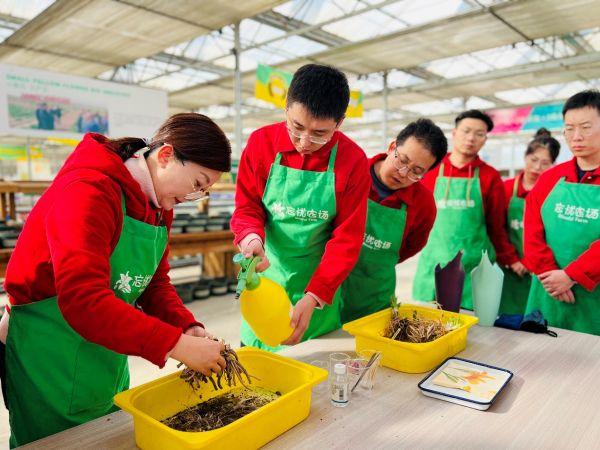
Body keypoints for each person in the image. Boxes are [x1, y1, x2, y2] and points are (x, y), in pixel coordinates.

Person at [0, 113, 231, 447]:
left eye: (205, 191)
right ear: (165, 156)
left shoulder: (158, 202)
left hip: (107, 346)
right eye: (197, 184)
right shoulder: (88, 190)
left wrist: (186, 327)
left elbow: (154, 284)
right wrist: (177, 346)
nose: (194, 198)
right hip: (51, 354)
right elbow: (82, 300)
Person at [231, 64, 370, 350]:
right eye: (296, 127)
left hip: (318, 290)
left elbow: (347, 238)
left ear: (340, 122)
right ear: (286, 108)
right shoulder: (261, 144)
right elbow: (247, 207)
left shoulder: (353, 160)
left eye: (320, 133)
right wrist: (251, 238)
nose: (305, 143)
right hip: (265, 283)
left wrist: (316, 294)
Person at [413, 110, 522, 310]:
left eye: (479, 134)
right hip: (433, 263)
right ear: (454, 133)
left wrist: (511, 258)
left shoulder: (490, 177)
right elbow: (414, 214)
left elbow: (496, 226)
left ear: (485, 139)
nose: (471, 138)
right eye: (466, 131)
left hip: (472, 267)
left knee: (469, 329)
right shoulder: (431, 169)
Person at [340, 119, 447, 323]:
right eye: (402, 160)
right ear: (392, 147)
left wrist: (378, 260)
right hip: (328, 289)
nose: (403, 173)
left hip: (373, 297)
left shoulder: (423, 205)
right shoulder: (351, 173)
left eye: (416, 171)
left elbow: (410, 248)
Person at [523, 90, 600, 334]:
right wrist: (550, 275)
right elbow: (532, 231)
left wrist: (572, 274)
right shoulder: (550, 178)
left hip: (593, 295)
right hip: (548, 291)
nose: (576, 136)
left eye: (586, 127)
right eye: (569, 128)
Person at [499, 129, 560, 315]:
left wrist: (529, 261)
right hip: (508, 267)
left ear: (552, 165)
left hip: (540, 269)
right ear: (525, 157)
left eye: (545, 163)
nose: (537, 167)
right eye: (533, 160)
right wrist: (512, 259)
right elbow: (497, 227)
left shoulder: (554, 193)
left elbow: (553, 233)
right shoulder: (506, 188)